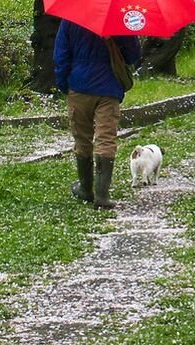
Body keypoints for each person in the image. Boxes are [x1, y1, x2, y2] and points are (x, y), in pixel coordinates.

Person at [54, 18, 140, 209]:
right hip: (108, 88)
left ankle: (85, 189)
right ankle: (102, 195)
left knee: (82, 138)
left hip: (79, 86)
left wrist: (65, 84)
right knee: (106, 139)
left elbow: (61, 55)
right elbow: (133, 56)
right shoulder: (120, 20)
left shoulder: (71, 19)